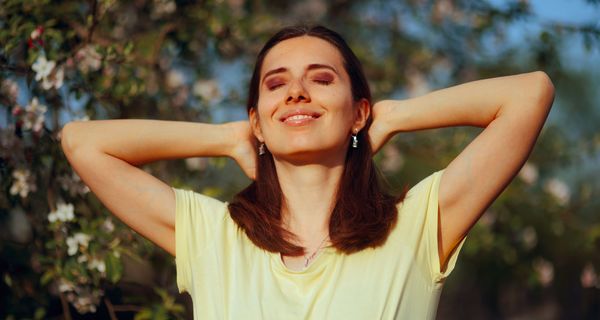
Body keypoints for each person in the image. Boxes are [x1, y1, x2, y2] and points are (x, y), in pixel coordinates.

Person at [60, 25, 555, 319]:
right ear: (256, 117)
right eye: (276, 85)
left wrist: (395, 116)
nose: (296, 92)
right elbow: (83, 142)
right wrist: (227, 138)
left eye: (321, 79)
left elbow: (529, 94)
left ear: (358, 111)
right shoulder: (212, 237)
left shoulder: (419, 225)